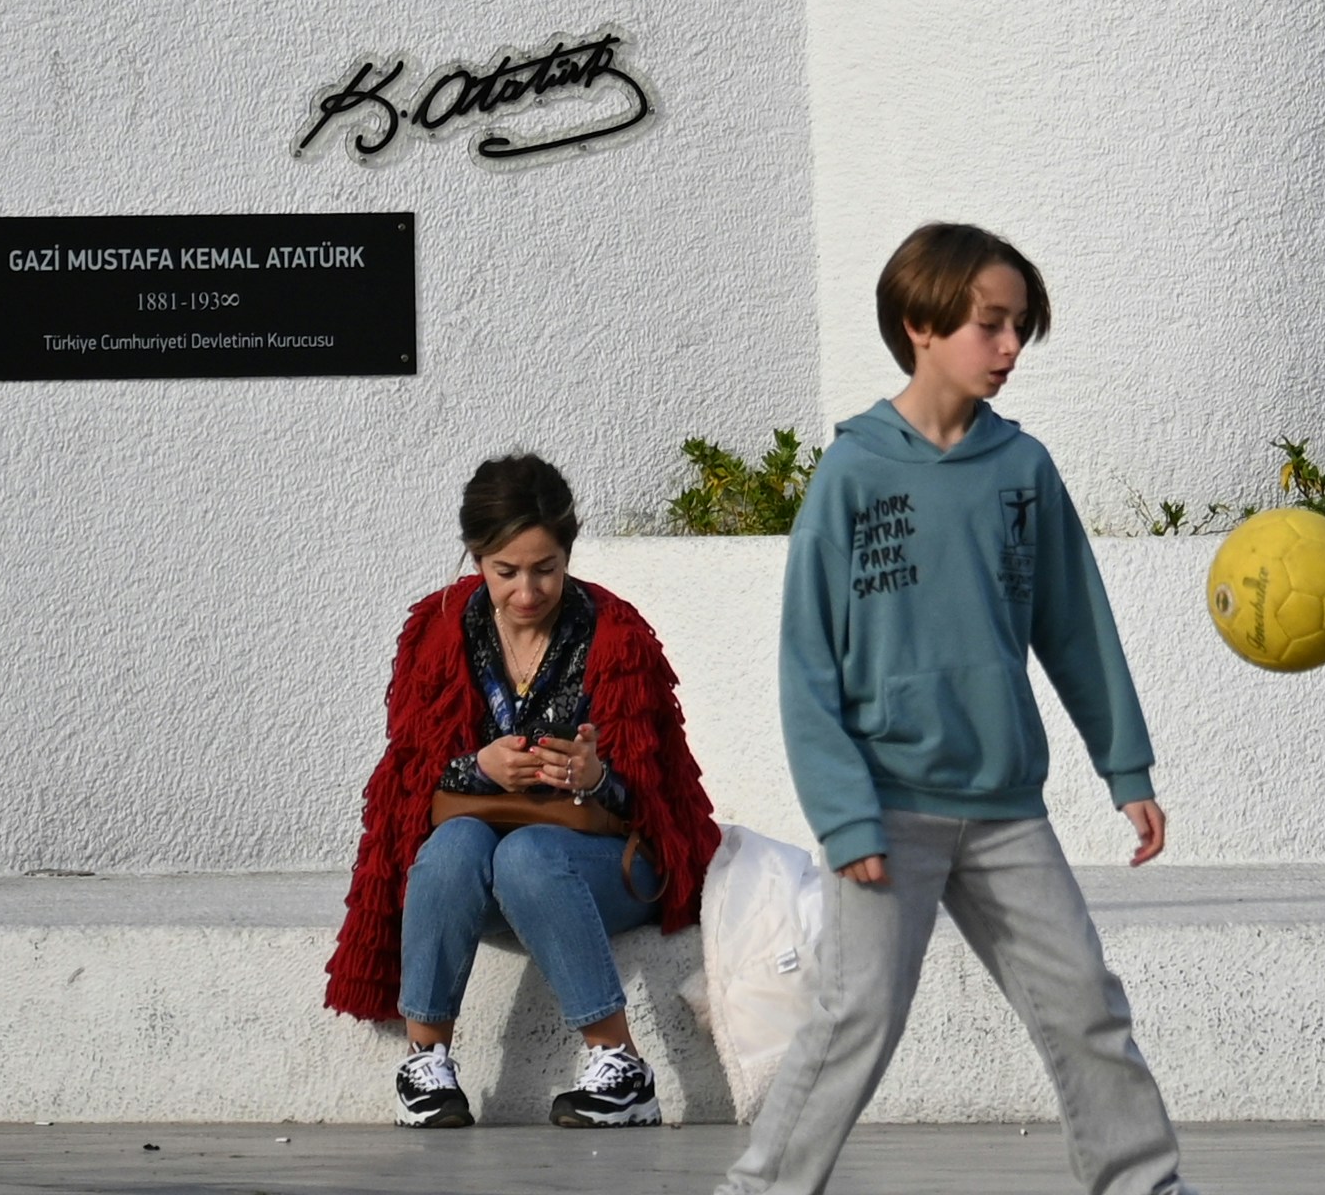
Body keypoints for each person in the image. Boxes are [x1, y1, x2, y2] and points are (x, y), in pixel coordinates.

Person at [719, 224, 1181, 1195]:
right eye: (992, 323)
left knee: (1084, 1004)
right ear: (921, 323)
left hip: (1007, 804)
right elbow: (807, 664)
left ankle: (1144, 1184)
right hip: (888, 803)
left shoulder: (1023, 470)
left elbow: (1076, 625)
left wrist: (1124, 766)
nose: (1011, 347)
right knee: (857, 1018)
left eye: (1021, 326)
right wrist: (846, 816)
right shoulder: (853, 472)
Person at [320, 450, 719, 1131]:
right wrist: (480, 767)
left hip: (603, 865)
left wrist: (597, 778)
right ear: (476, 557)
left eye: (546, 570)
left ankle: (621, 1067)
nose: (528, 592)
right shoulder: (440, 630)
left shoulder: (614, 634)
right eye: (507, 573)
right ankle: (426, 1065)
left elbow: (661, 800)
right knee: (457, 846)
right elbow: (408, 775)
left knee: (528, 852)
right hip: (486, 871)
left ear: (569, 553)